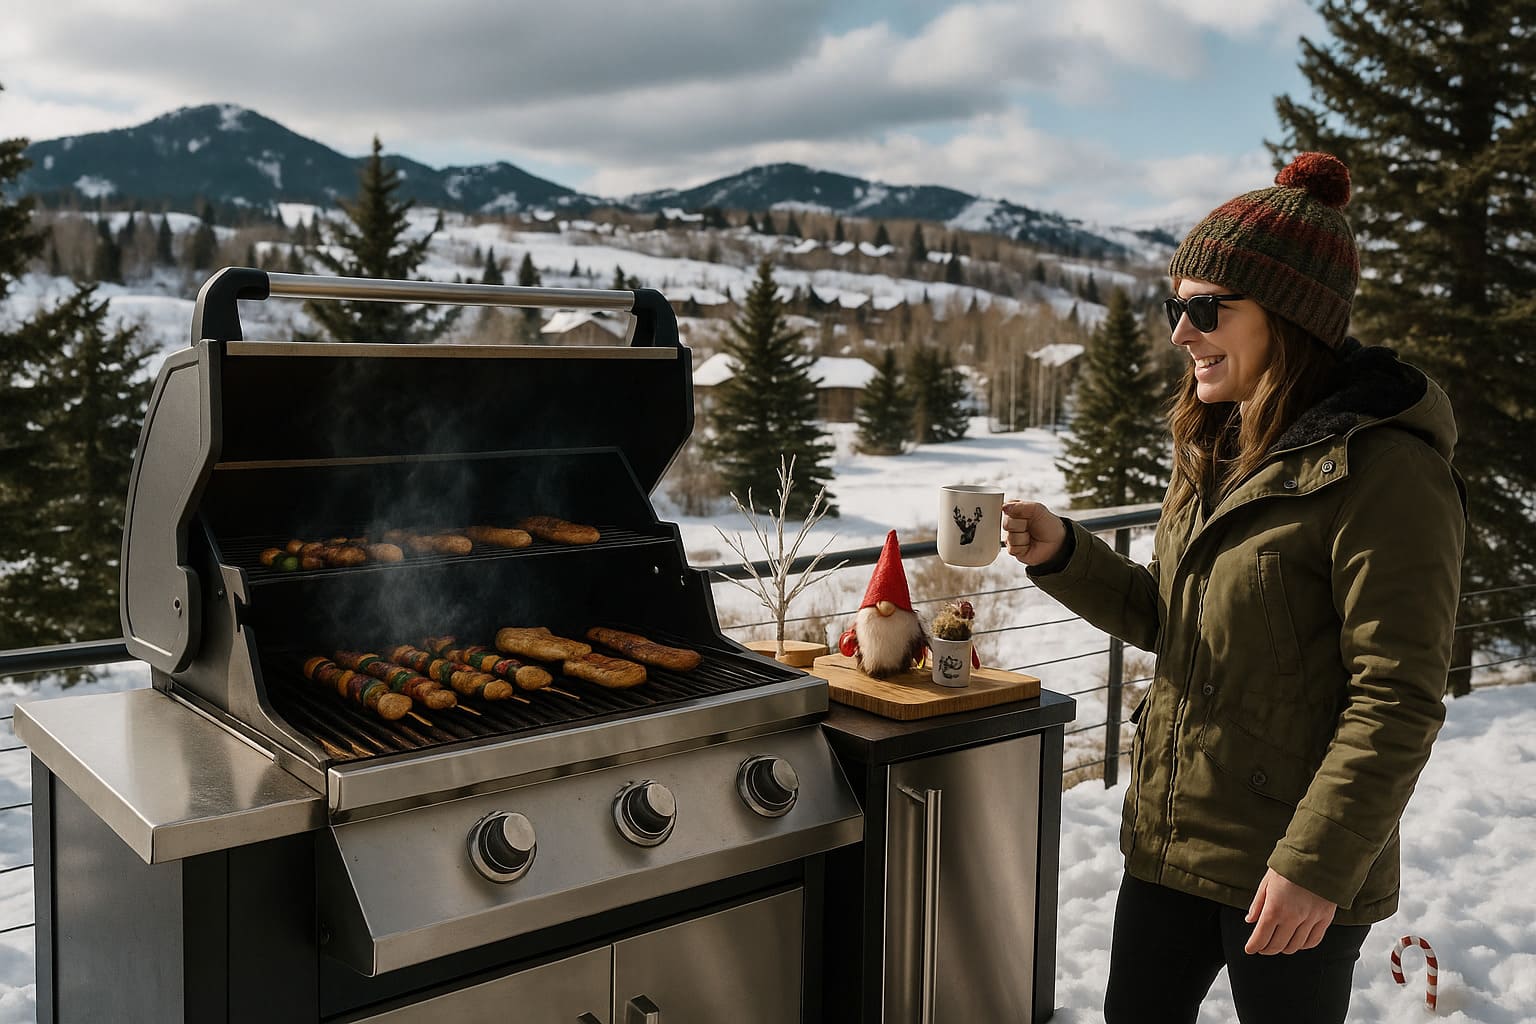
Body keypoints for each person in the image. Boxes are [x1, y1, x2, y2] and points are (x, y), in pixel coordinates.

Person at [1004, 152, 1466, 1024]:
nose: (1181, 331)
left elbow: (1397, 699)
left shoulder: (1388, 474)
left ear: (1289, 317)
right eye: (1175, 305)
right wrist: (1066, 553)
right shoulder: (1219, 445)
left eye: (1206, 308)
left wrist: (1314, 868)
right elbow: (1179, 621)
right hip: (1173, 841)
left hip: (1291, 868)